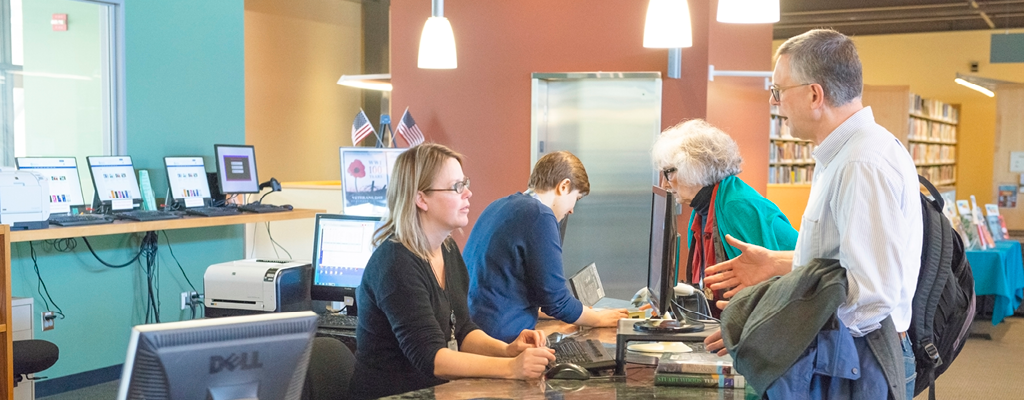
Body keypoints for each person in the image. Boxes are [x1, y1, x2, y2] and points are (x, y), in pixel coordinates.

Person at [702, 29, 922, 399]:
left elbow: (870, 293)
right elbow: (842, 263)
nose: (774, 103)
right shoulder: (842, 154)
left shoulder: (861, 162)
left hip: (857, 358)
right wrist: (782, 263)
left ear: (814, 94)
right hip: (845, 355)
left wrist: (773, 323)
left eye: (778, 91)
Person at [350, 143, 556, 400]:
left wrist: (507, 350)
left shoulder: (447, 249)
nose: (468, 193)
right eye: (457, 187)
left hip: (436, 392)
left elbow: (462, 330)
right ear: (421, 198)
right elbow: (432, 358)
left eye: (465, 183)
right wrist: (510, 368)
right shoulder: (395, 263)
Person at [464, 151, 628, 343]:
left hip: (476, 330)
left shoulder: (500, 205)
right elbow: (557, 302)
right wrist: (600, 318)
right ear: (564, 186)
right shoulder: (539, 215)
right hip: (502, 338)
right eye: (577, 198)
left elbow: (511, 285)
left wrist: (579, 312)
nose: (572, 210)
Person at [650, 119, 797, 318]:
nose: (664, 183)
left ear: (695, 167)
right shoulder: (704, 208)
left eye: (668, 172)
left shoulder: (735, 206)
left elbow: (769, 287)